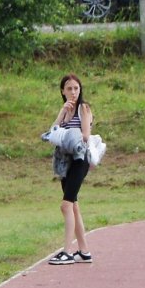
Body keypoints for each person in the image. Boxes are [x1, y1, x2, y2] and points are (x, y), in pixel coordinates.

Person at [45, 74, 96, 266]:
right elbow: (51, 133)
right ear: (62, 91)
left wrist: (66, 134)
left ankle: (66, 252)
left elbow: (84, 136)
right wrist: (61, 114)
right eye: (69, 89)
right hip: (64, 161)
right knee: (73, 205)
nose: (73, 92)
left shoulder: (84, 108)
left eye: (76, 88)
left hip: (79, 159)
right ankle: (83, 251)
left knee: (65, 205)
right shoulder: (65, 110)